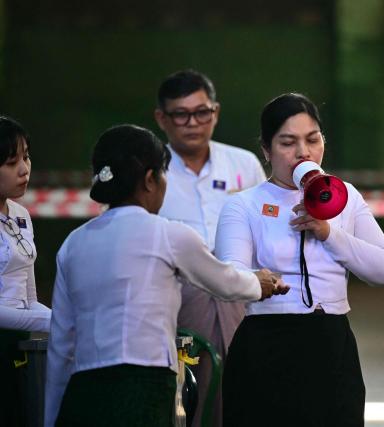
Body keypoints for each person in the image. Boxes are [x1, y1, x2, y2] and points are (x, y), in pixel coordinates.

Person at [44, 124, 287, 427]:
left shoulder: (73, 244)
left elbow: (60, 344)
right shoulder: (168, 235)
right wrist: (260, 283)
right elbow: (225, 282)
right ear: (150, 179)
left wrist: (51, 416)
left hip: (83, 392)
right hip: (145, 388)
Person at [216, 93, 384, 427]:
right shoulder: (244, 205)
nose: (304, 152)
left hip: (330, 341)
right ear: (266, 151)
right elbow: (231, 274)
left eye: (313, 140)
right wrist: (259, 281)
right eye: (288, 142)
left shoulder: (346, 196)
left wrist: (330, 233)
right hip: (266, 342)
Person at [154, 69, 266, 427]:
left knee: (246, 387)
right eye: (180, 114)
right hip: (178, 299)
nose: (193, 123)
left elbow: (263, 229)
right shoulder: (151, 171)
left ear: (215, 112)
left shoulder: (243, 163)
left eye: (201, 112)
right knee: (188, 396)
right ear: (162, 118)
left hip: (241, 294)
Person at [0, 116, 50, 427]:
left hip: (21, 346)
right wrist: (52, 321)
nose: (24, 169)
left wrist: (57, 318)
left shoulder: (20, 213)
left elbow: (29, 296)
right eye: (10, 161)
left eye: (26, 156)